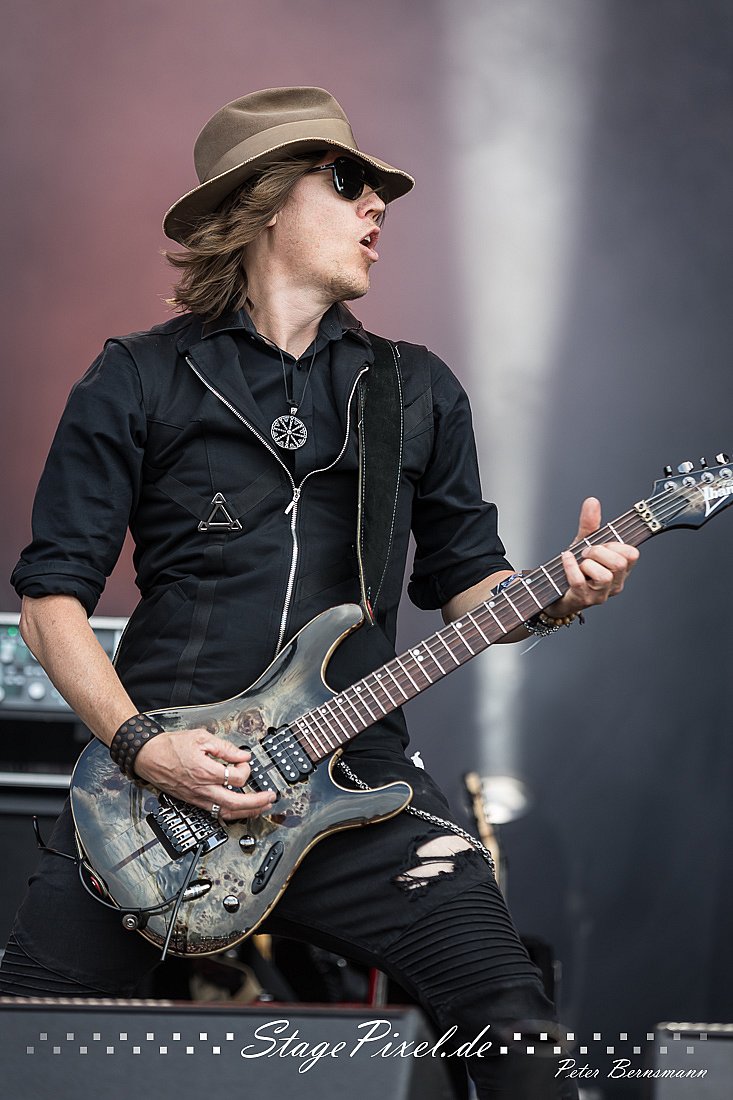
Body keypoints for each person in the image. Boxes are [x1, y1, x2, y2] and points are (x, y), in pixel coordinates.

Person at [0, 87, 638, 1097]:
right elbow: (50, 602)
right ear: (260, 202)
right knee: (27, 1048)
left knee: (519, 1037)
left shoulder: (414, 390)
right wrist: (140, 743)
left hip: (357, 782)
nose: (377, 204)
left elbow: (469, 588)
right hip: (155, 797)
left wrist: (559, 592)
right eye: (346, 180)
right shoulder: (138, 377)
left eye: (378, 188)